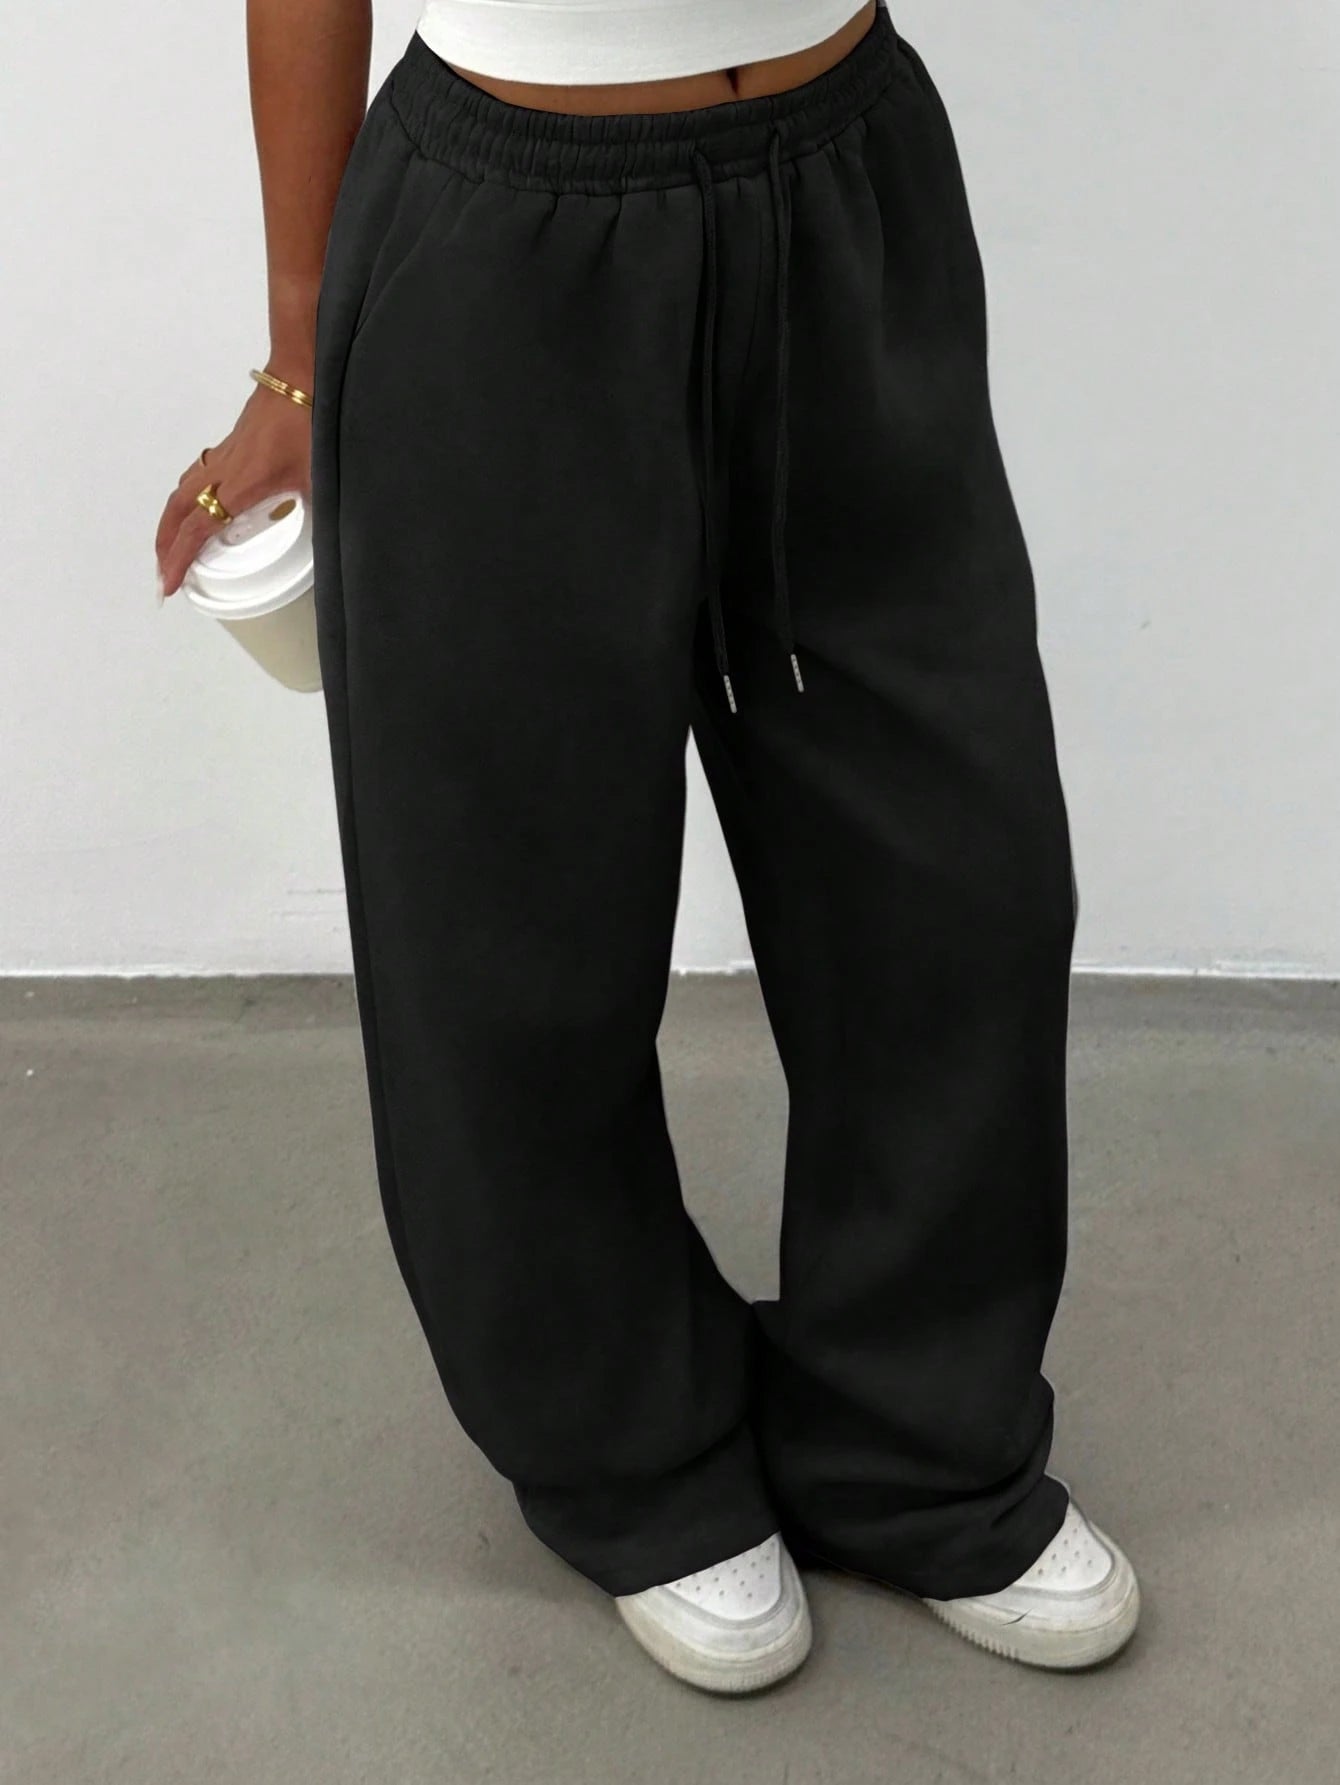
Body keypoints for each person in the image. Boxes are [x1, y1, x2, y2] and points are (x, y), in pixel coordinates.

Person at [154, 0, 1140, 1694]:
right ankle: (631, 1453)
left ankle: (916, 1438)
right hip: (504, 226)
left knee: (952, 873)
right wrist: (299, 355)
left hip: (846, 181)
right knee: (511, 911)